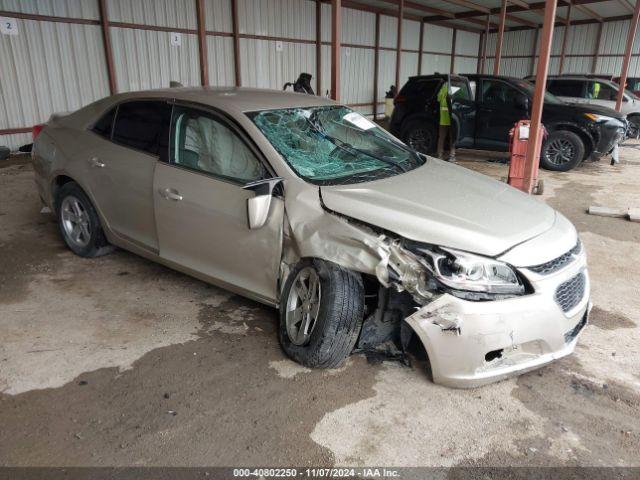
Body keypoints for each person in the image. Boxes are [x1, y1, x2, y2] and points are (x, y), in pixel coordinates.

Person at [436, 82, 455, 162]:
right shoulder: (456, 88)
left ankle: (440, 155)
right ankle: (452, 156)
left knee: (441, 137)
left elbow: (438, 99)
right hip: (453, 119)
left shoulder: (443, 88)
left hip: (443, 119)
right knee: (453, 138)